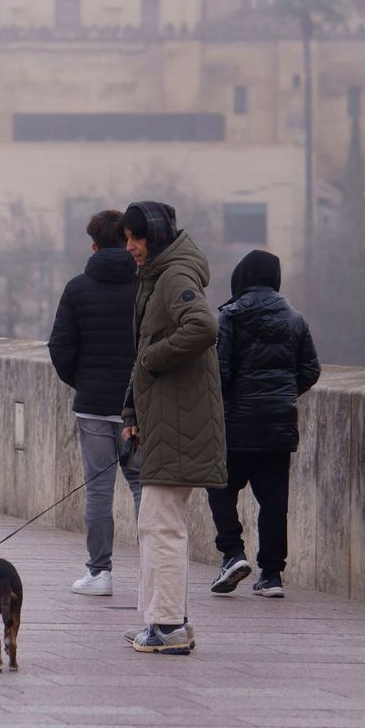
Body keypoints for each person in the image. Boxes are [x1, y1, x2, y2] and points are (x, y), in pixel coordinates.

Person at [120, 201, 226, 655]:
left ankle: (167, 625)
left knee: (162, 524)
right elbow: (146, 355)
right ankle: (161, 620)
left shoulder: (174, 276)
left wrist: (152, 358)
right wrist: (133, 414)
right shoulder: (161, 275)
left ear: (156, 237)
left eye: (137, 239)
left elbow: (203, 326)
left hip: (178, 420)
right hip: (165, 416)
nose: (131, 248)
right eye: (127, 239)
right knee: (154, 522)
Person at [207, 249, 321, 600]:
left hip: (236, 425)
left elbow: (219, 373)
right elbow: (310, 371)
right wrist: (282, 394)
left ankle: (232, 553)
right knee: (274, 502)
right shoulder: (295, 318)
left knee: (220, 488)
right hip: (278, 425)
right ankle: (271, 575)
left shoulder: (229, 317)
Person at [47, 209, 143, 597]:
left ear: (93, 244)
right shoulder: (145, 287)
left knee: (99, 492)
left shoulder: (77, 288)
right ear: (128, 240)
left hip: (92, 406)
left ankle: (99, 572)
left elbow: (60, 346)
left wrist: (82, 382)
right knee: (141, 487)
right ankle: (153, 571)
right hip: (138, 406)